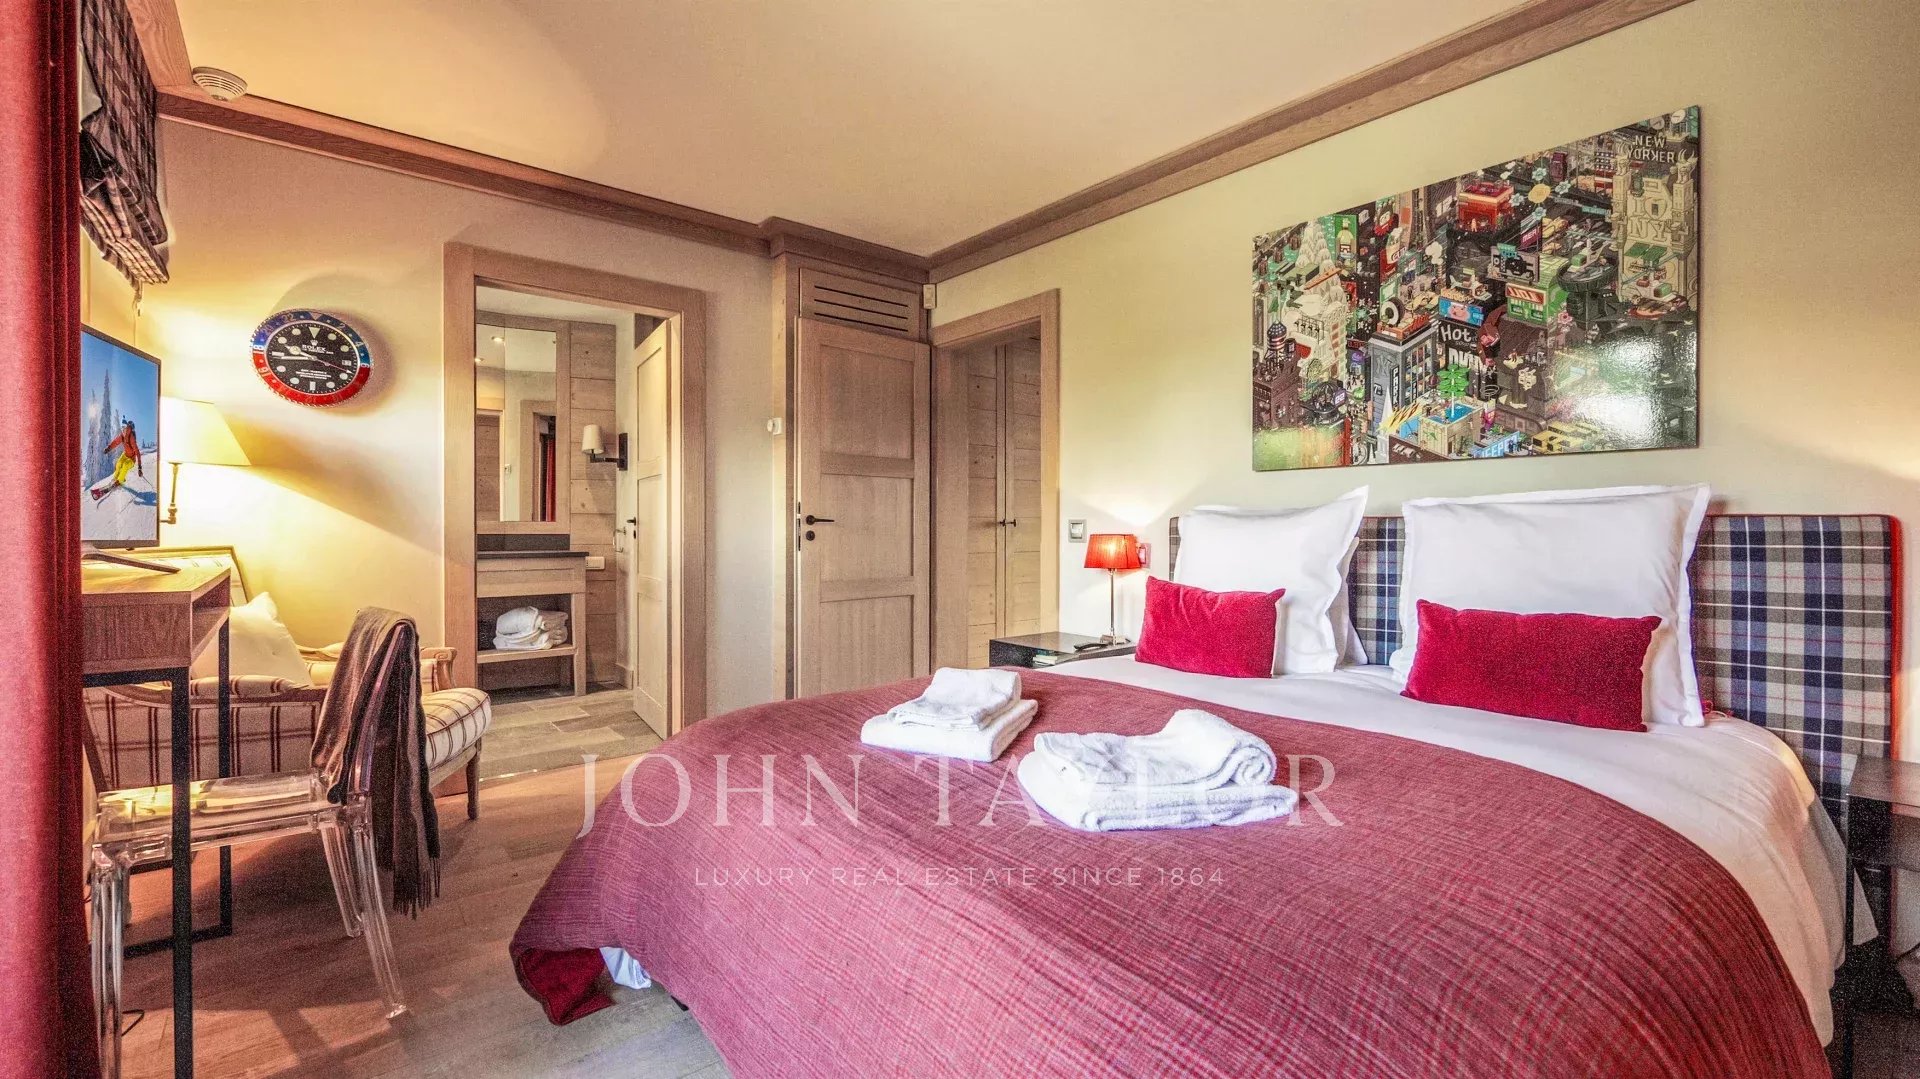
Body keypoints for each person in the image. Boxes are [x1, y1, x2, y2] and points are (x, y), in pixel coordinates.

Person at [92, 419, 143, 501]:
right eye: (123, 428)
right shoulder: (122, 435)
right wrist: (109, 448)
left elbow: (137, 452)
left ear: (128, 428)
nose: (124, 430)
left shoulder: (131, 437)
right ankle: (115, 479)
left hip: (131, 459)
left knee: (125, 465)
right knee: (119, 463)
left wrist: (139, 467)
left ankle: (119, 482)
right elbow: (116, 442)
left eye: (125, 428)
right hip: (125, 455)